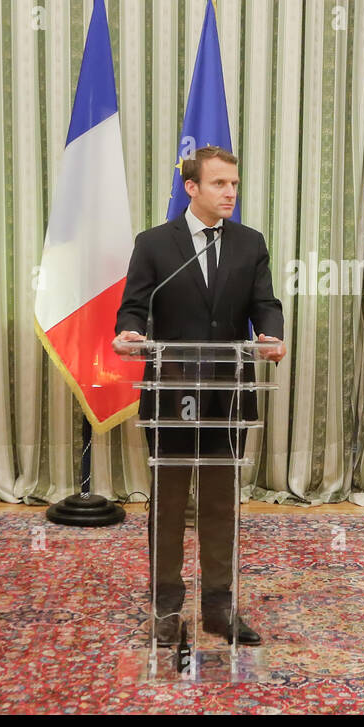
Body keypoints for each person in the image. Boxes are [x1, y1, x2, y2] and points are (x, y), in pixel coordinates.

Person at [112, 146, 285, 647]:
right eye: (219, 184)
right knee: (167, 506)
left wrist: (271, 335)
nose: (231, 192)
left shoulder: (250, 243)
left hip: (226, 395)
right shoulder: (153, 244)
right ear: (192, 188)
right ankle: (166, 609)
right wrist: (130, 334)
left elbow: (264, 303)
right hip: (170, 393)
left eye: (234, 183)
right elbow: (134, 307)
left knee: (219, 505)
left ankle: (219, 607)